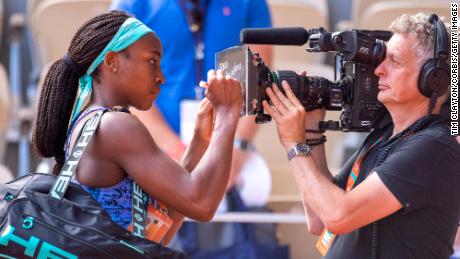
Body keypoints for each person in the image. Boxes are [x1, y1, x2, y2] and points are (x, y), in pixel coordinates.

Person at [32, 11, 243, 245]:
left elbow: (153, 238)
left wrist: (199, 143)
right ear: (112, 61)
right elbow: (202, 205)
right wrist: (227, 114)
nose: (161, 77)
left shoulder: (90, 122)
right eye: (152, 61)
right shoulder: (116, 126)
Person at [262, 13, 460, 258]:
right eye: (382, 60)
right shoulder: (383, 135)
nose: (378, 70)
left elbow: (337, 215)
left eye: (394, 62)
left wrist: (293, 142)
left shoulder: (435, 147)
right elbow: (319, 219)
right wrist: (310, 131)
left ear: (435, 79)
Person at [109, 0, 272, 195]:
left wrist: (237, 147)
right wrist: (173, 149)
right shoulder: (132, 4)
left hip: (229, 139)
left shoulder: (250, 3)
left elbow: (260, 81)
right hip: (154, 144)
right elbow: (123, 86)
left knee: (251, 191)